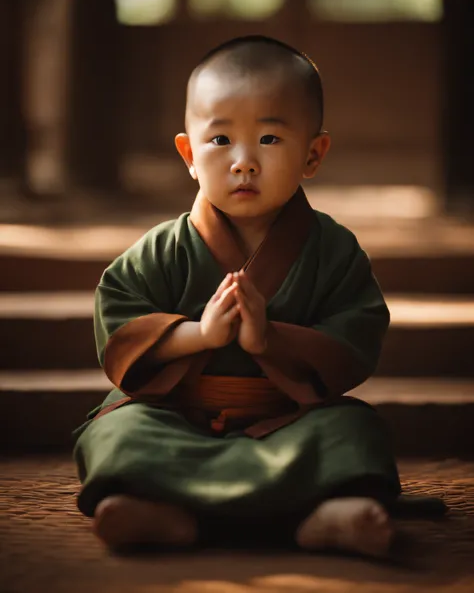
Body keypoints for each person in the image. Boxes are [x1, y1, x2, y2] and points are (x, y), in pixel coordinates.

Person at [72, 35, 402, 557]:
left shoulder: (333, 249)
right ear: (188, 153)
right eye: (221, 140)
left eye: (269, 140)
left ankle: (324, 516)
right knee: (122, 428)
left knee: (355, 429)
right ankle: (162, 511)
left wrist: (269, 339)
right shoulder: (164, 248)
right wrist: (195, 335)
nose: (243, 162)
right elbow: (118, 321)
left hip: (289, 417)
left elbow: (356, 333)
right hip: (177, 415)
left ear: (313, 154)